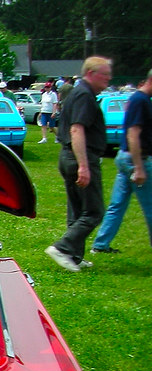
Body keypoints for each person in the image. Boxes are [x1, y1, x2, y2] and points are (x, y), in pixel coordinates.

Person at [45, 57, 113, 272]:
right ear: (91, 73)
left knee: (77, 210)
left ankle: (74, 256)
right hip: (79, 156)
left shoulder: (77, 92)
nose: (108, 79)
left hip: (67, 156)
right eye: (105, 75)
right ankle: (63, 248)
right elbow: (77, 129)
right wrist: (84, 166)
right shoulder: (84, 95)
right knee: (94, 212)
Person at [90, 68, 152, 255]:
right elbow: (133, 134)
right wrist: (139, 168)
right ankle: (100, 244)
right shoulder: (140, 100)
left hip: (125, 159)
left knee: (117, 205)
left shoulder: (140, 100)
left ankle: (100, 245)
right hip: (136, 159)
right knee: (150, 207)